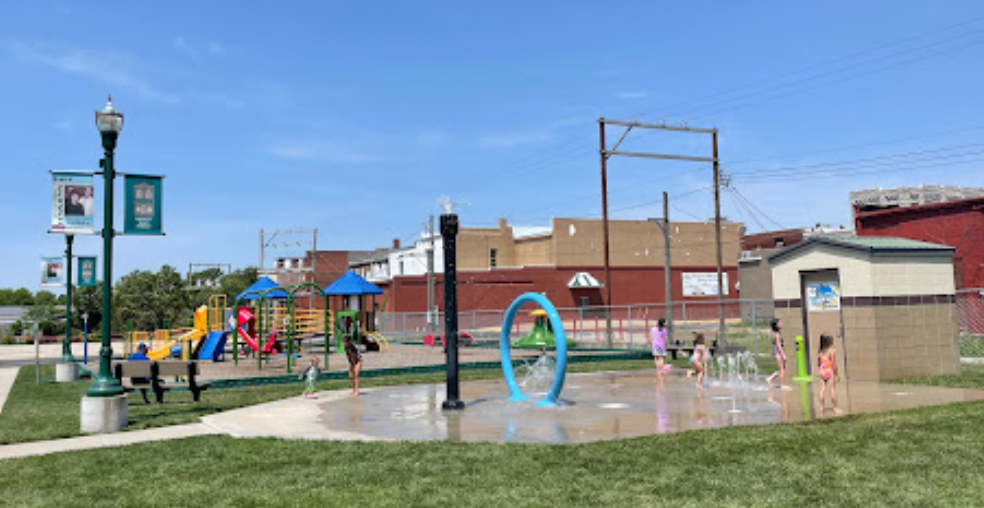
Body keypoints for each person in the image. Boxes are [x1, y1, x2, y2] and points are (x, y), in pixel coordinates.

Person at [817, 333, 842, 413]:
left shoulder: (820, 351)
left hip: (822, 370)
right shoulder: (832, 351)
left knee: (822, 389)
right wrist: (836, 374)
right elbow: (833, 364)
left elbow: (818, 363)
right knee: (832, 389)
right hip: (829, 370)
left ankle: (821, 407)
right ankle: (835, 407)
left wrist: (820, 369)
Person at [765, 318, 788, 389]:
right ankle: (783, 385)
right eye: (779, 323)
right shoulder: (777, 334)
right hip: (778, 351)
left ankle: (770, 378)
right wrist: (783, 354)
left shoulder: (774, 333)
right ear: (776, 325)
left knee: (782, 368)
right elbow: (779, 345)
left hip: (776, 351)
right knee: (782, 369)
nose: (781, 324)